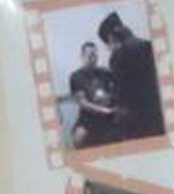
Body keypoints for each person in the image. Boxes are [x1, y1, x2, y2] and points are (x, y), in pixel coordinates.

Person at [100, 11, 166, 140]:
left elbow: (122, 97)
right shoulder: (148, 45)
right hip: (159, 116)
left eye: (107, 45)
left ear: (111, 38)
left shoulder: (117, 56)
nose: (109, 48)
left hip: (137, 124)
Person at [68, 40, 118, 148]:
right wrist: (103, 110)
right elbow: (82, 103)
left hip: (109, 117)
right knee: (78, 138)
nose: (94, 59)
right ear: (82, 56)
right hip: (88, 119)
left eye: (95, 55)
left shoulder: (106, 73)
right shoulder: (76, 77)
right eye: (90, 56)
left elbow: (116, 91)